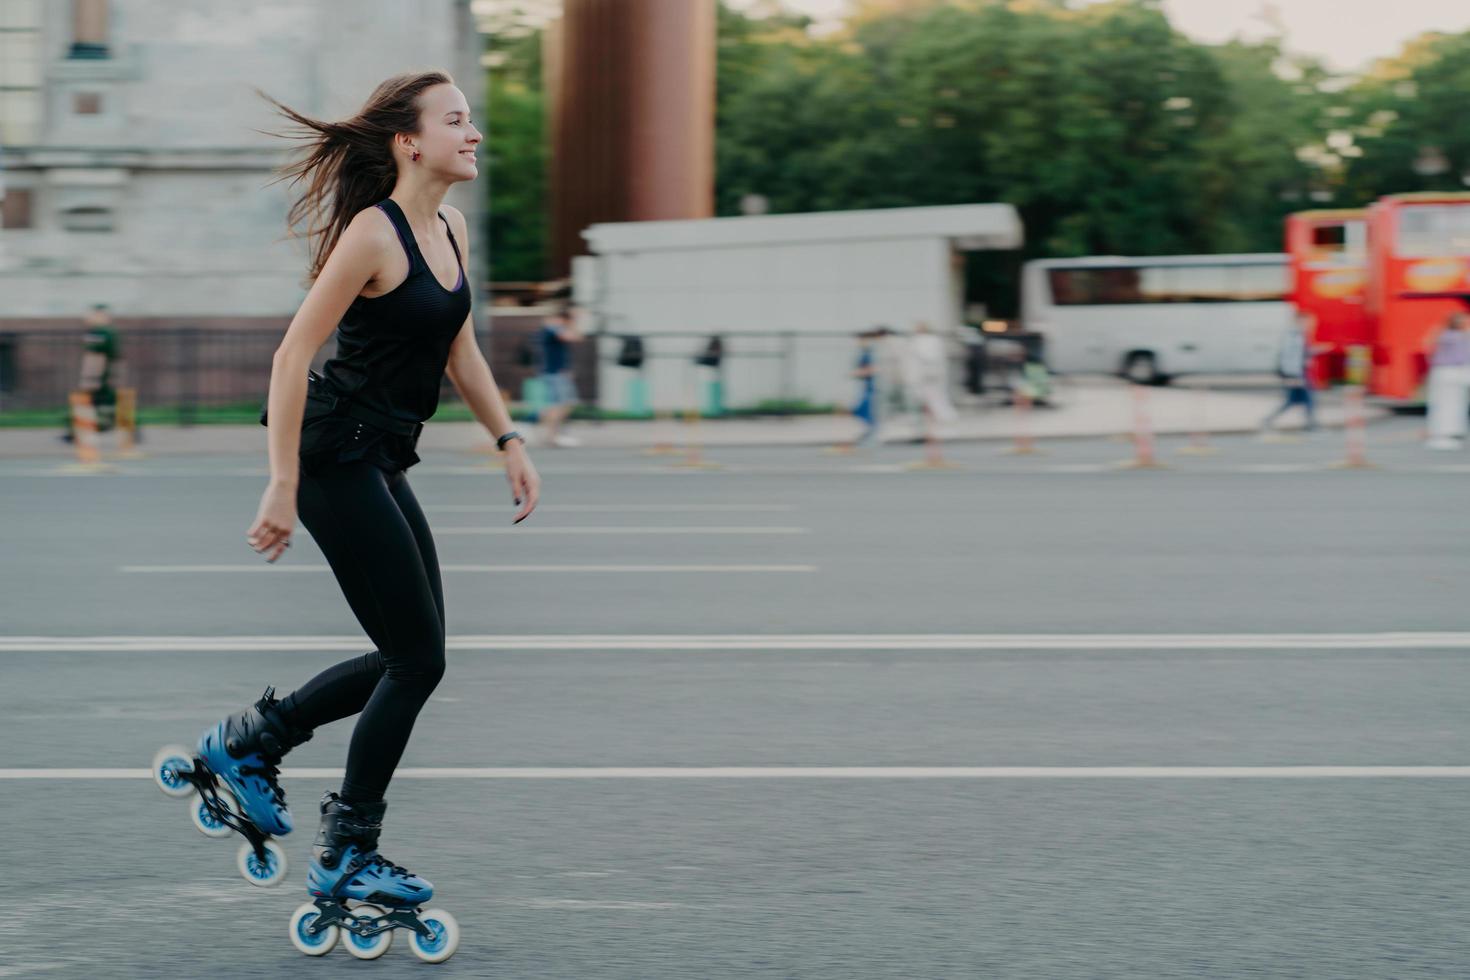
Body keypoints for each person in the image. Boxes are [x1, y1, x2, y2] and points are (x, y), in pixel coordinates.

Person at [174, 72, 540, 915]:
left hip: (378, 457)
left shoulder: (449, 229)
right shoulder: (373, 236)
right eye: (457, 121)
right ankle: (347, 851)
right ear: (410, 142)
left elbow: (462, 351)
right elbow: (291, 357)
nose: (474, 133)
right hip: (333, 455)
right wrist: (281, 481)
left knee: (411, 652)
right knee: (418, 658)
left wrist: (509, 440)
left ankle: (252, 746)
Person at [61, 303, 120, 442]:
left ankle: (78, 432)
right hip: (106, 375)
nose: (88, 317)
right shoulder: (111, 332)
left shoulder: (98, 333)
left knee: (86, 403)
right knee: (108, 404)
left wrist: (90, 378)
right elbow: (116, 357)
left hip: (99, 376)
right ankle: (81, 431)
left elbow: (94, 357)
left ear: (101, 316)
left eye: (92, 314)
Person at [1261, 313, 1328, 433]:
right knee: (1309, 399)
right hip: (1297, 373)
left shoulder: (1299, 335)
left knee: (1293, 401)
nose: (1310, 325)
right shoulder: (1293, 335)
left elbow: (1302, 354)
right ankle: (1311, 425)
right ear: (1299, 321)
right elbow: (1289, 357)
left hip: (1298, 372)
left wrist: (1317, 350)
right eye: (1308, 322)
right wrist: (1292, 376)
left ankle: (1268, 420)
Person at [537, 305, 583, 447]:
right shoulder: (552, 329)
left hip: (556, 373)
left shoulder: (552, 329)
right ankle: (552, 436)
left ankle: (551, 432)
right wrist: (575, 320)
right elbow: (573, 337)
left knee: (562, 404)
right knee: (560, 405)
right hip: (554, 373)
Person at [1424, 311, 1470, 450]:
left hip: (1442, 372)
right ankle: (1452, 433)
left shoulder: (1443, 335)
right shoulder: (1464, 336)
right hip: (1459, 372)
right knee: (1457, 405)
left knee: (1441, 404)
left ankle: (1441, 433)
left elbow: (1428, 345)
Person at [850, 329, 880, 446]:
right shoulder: (864, 352)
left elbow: (874, 368)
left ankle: (872, 433)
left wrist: (859, 373)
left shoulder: (871, 353)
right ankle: (871, 432)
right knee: (861, 410)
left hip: (873, 387)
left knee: (867, 410)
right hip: (866, 386)